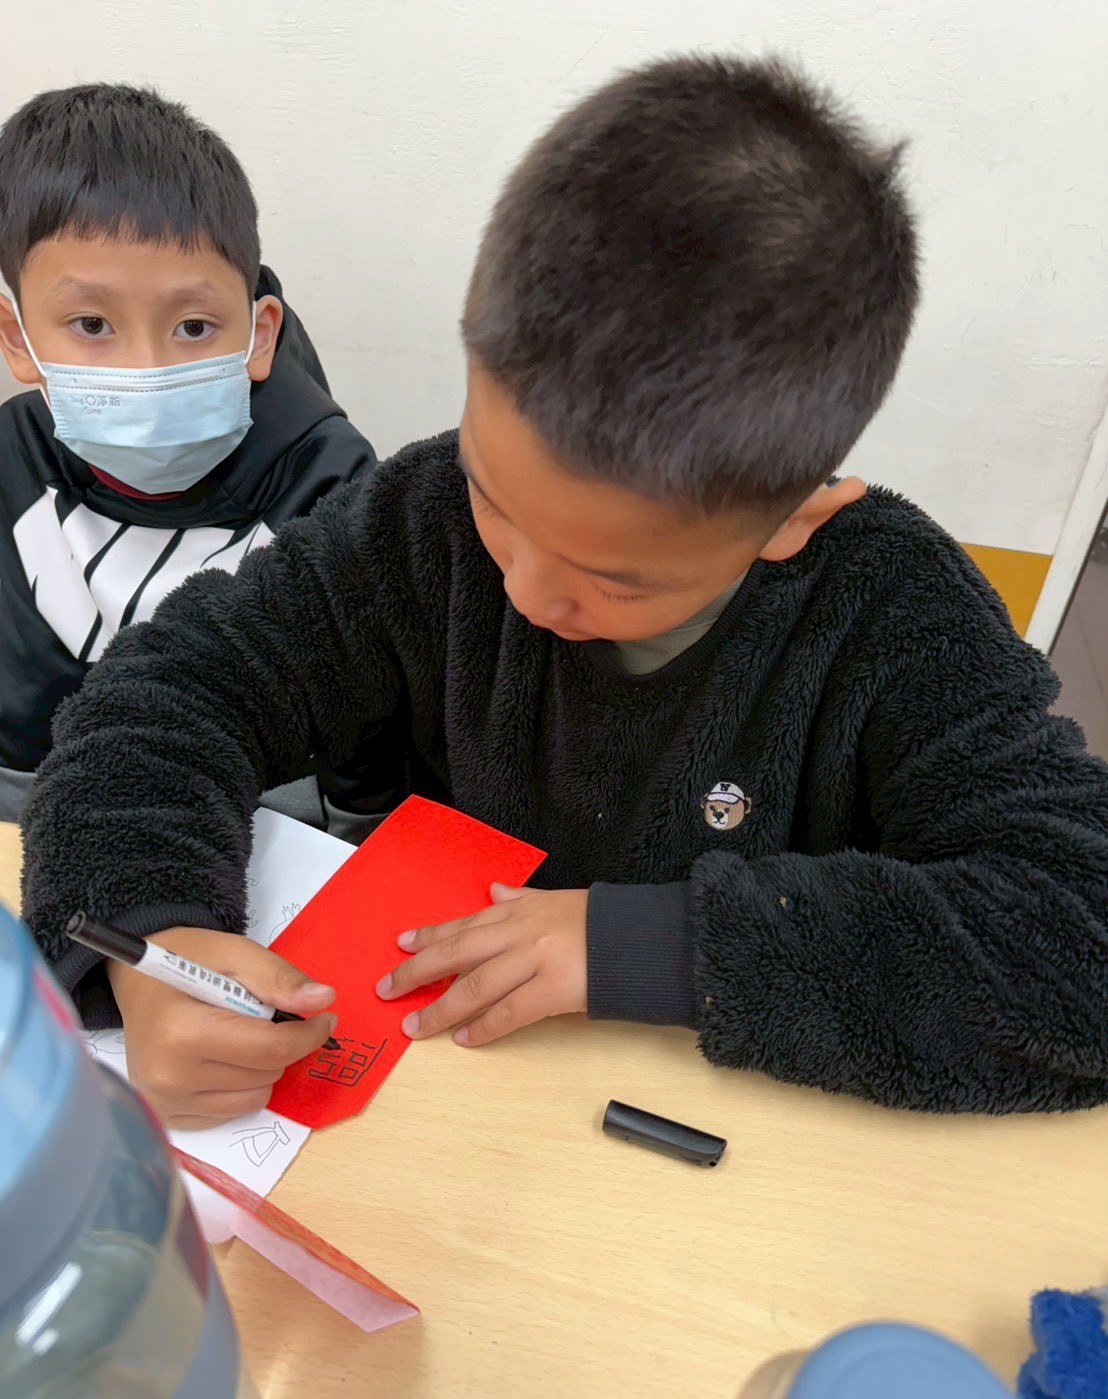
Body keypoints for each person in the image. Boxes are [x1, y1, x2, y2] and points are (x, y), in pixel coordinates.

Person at [21, 56, 1108, 1129]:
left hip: (736, 1147)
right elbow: (172, 692)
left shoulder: (888, 609)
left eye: (616, 579)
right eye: (499, 502)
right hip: (442, 1109)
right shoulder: (425, 519)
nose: (529, 592)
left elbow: (1078, 940)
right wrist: (151, 935)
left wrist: (647, 946)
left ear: (793, 514)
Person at [0, 84, 376, 822]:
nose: (146, 370)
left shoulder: (332, 483)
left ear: (259, 334)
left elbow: (361, 745)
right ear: (18, 338)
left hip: (259, 828)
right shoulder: (13, 455)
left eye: (194, 328)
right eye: (91, 324)